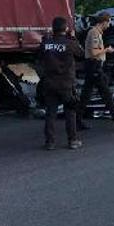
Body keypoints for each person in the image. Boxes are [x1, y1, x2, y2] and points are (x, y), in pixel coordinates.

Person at [78, 13, 114, 131]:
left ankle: (77, 120)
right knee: (107, 96)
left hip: (93, 67)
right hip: (94, 67)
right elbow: (93, 52)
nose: (109, 25)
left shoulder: (96, 33)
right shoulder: (94, 33)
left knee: (86, 96)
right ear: (103, 22)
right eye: (108, 22)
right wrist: (107, 50)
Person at [37, 16, 84, 151]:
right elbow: (81, 54)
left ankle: (50, 142)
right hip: (66, 84)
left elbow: (39, 59)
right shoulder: (70, 43)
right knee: (70, 112)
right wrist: (74, 37)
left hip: (50, 83)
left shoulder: (46, 44)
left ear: (53, 28)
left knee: (50, 113)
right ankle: (72, 140)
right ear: (66, 28)